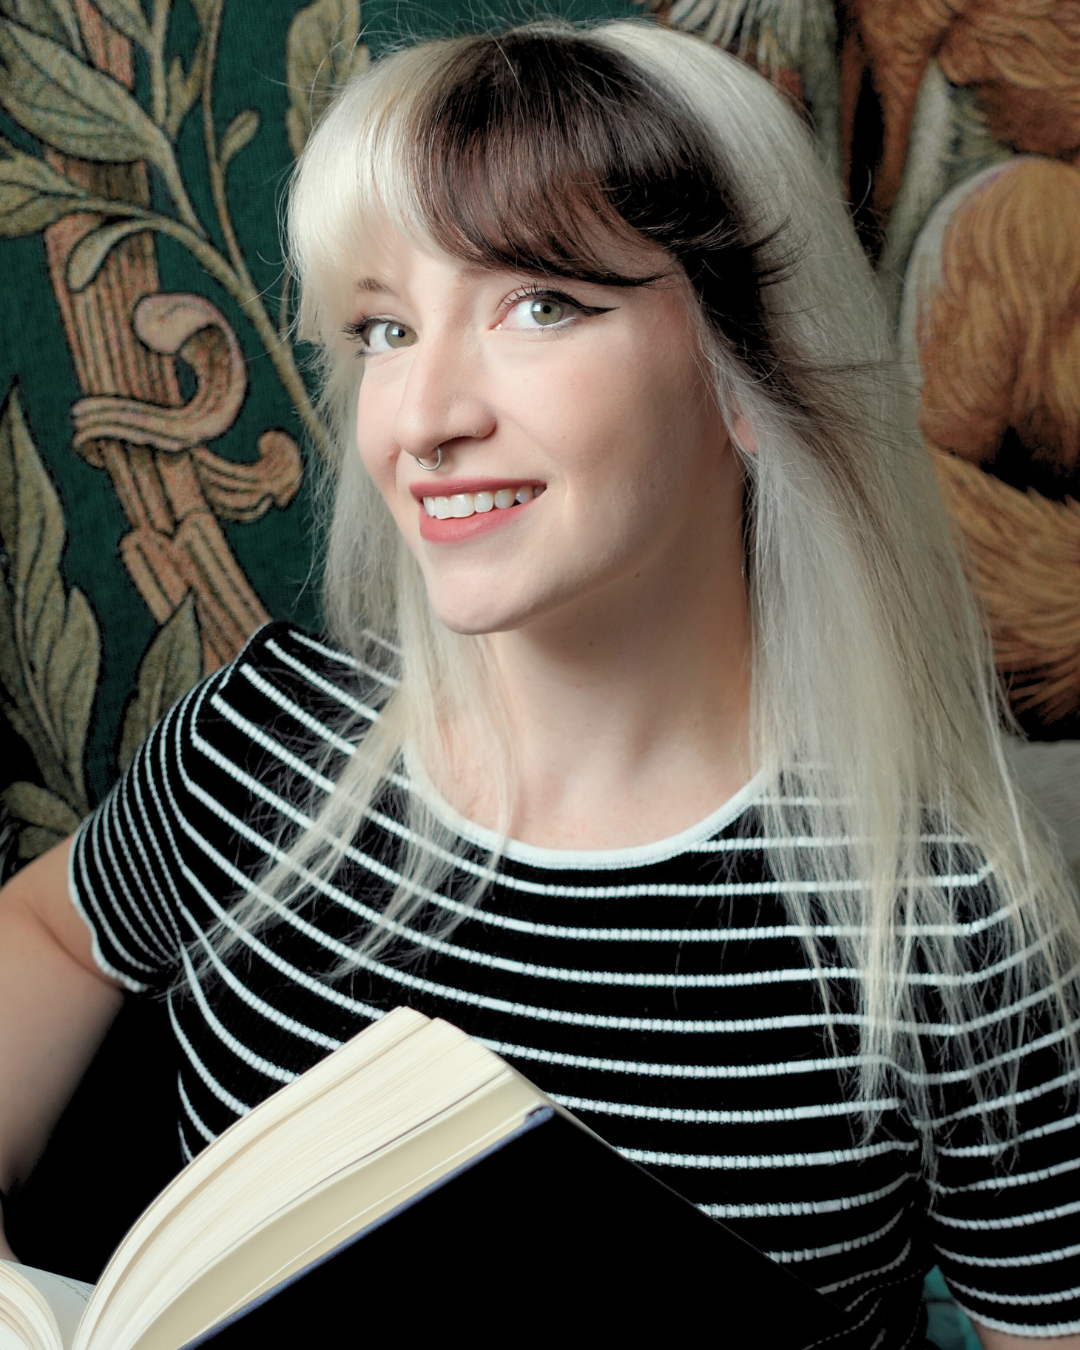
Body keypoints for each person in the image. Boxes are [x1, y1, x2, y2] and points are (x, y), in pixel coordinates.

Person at [1, 19, 1078, 1349]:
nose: (423, 414)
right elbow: (50, 932)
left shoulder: (953, 931)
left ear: (750, 372)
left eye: (540, 302)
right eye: (385, 326)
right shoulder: (264, 736)